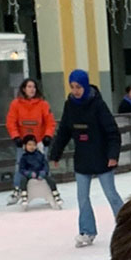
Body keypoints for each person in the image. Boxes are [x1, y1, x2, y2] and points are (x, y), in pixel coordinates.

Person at [51, 69, 125, 248]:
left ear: (85, 85)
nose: (75, 90)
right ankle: (87, 231)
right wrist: (55, 153)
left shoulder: (98, 105)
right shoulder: (70, 105)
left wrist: (112, 155)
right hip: (83, 159)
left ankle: (128, 228)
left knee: (111, 195)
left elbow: (112, 132)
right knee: (82, 197)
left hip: (102, 158)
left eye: (78, 87)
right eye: (72, 87)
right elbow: (64, 132)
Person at [4, 78, 57, 205]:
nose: (32, 89)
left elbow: (50, 122)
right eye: (29, 87)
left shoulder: (43, 104)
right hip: (23, 142)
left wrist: (48, 136)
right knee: (20, 165)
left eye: (33, 87)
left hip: (39, 141)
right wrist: (15, 137)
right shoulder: (16, 104)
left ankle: (49, 190)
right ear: (23, 88)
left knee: (43, 165)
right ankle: (18, 189)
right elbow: (11, 122)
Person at [16, 138, 62, 210]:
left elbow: (45, 165)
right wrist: (29, 173)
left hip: (40, 173)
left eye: (34, 145)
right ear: (25, 146)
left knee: (50, 179)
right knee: (23, 180)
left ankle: (55, 194)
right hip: (29, 175)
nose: (32, 147)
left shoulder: (40, 155)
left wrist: (43, 172)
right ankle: (24, 195)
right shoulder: (24, 157)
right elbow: (21, 169)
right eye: (29, 145)